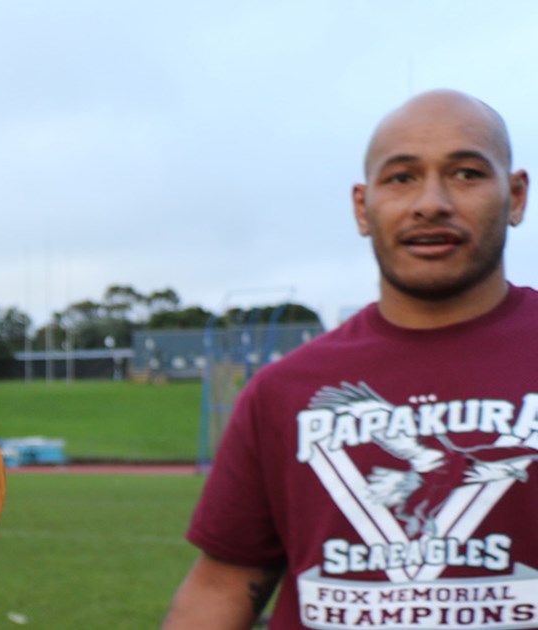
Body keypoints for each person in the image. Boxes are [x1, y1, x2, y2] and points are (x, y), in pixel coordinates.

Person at [165, 89, 533, 629]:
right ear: (363, 206)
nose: (431, 202)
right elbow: (221, 585)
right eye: (401, 177)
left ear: (516, 195)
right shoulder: (283, 389)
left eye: (467, 173)